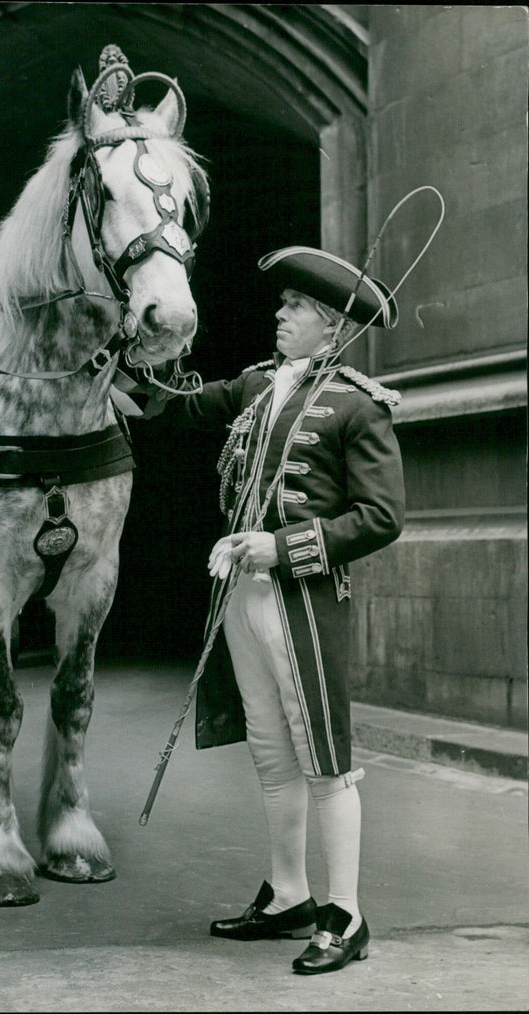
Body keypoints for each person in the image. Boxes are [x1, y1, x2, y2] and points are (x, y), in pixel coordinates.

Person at [166, 246, 405, 975]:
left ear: (330, 329)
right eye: (286, 304)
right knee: (272, 753)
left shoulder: (358, 406)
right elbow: (175, 407)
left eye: (296, 307)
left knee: (325, 760)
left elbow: (382, 516)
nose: (280, 313)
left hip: (301, 598)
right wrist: (128, 351)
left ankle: (346, 915)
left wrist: (283, 546)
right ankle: (287, 895)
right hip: (240, 595)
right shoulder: (255, 385)